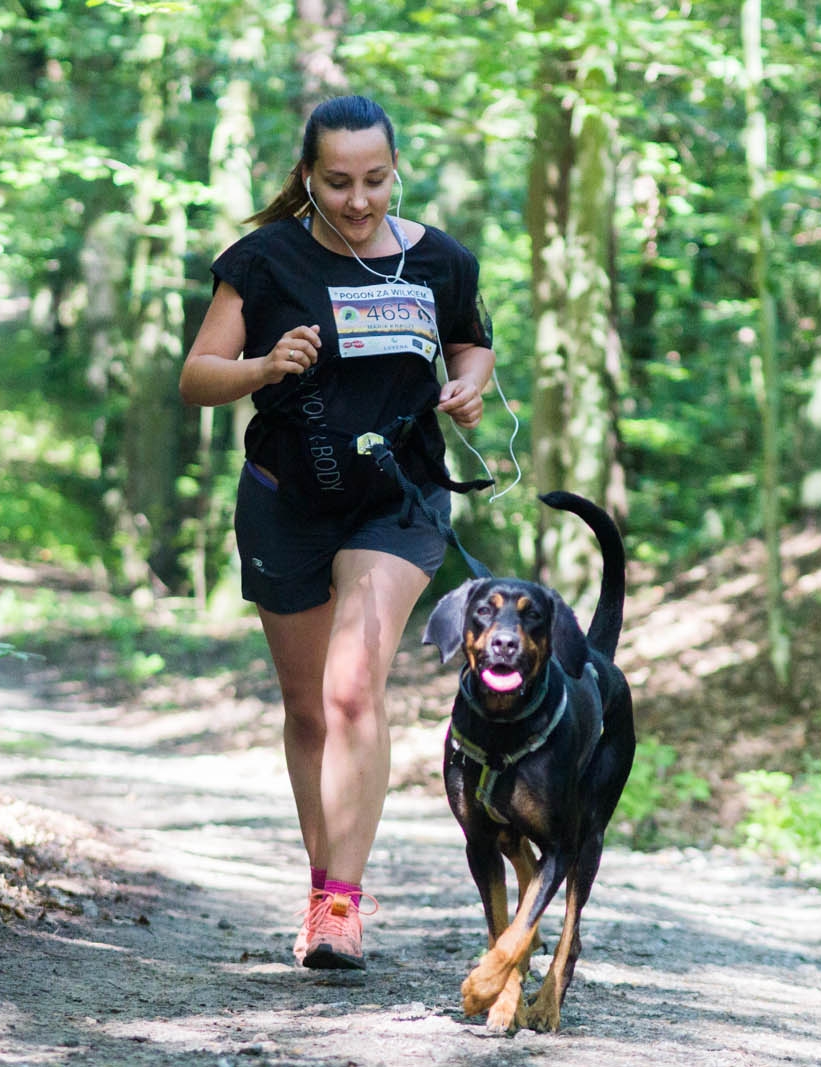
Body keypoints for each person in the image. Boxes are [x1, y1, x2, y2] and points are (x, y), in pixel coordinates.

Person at [179, 94, 496, 971]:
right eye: (339, 182)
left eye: (376, 180)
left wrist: (466, 387)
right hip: (288, 495)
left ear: (397, 169)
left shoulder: (440, 260)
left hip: (397, 496)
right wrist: (264, 365)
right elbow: (196, 376)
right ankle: (322, 885)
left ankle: (343, 906)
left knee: (354, 687)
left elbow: (471, 344)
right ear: (309, 177)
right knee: (309, 704)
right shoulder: (265, 260)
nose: (360, 200)